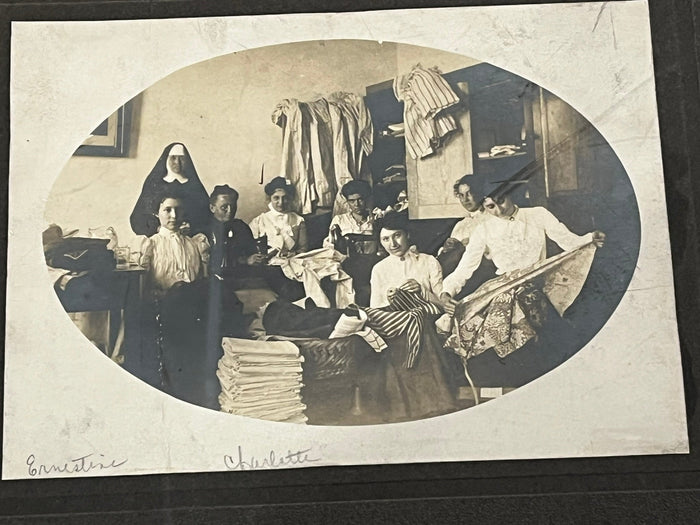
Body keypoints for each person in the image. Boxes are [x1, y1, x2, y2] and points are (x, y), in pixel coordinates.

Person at [440, 183, 606, 313]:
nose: (499, 210)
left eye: (501, 201)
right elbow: (465, 268)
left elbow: (568, 240)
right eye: (491, 206)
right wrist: (446, 293)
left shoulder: (537, 214)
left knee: (524, 303)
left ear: (510, 194)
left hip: (540, 279)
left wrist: (590, 238)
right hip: (504, 284)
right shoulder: (483, 230)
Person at [364, 210, 456, 421]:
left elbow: (442, 302)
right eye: (385, 239)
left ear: (407, 235)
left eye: (397, 235)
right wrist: (390, 298)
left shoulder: (428, 261)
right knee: (410, 323)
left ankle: (433, 403)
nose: (392, 243)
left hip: (425, 318)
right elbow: (376, 309)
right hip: (395, 323)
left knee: (418, 320)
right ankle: (411, 407)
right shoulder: (379, 269)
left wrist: (422, 292)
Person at [130, 143, 211, 237]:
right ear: (166, 159)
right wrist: (157, 228)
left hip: (188, 239)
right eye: (173, 158)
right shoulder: (154, 183)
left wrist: (192, 227)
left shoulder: (194, 185)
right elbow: (138, 217)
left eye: (181, 158)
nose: (177, 162)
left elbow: (206, 216)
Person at [206, 184, 265, 282]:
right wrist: (245, 260)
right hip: (213, 282)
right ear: (212, 208)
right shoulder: (205, 230)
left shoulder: (241, 227)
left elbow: (252, 252)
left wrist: (256, 258)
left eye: (233, 206)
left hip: (241, 279)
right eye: (224, 207)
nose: (230, 211)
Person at [249, 177, 308, 256]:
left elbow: (303, 250)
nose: (281, 202)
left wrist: (292, 254)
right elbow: (250, 249)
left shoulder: (298, 220)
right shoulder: (259, 221)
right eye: (276, 198)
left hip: (293, 260)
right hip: (268, 263)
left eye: (285, 198)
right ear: (270, 199)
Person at [324, 180, 374, 250]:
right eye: (352, 201)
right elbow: (330, 245)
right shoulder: (339, 220)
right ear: (347, 201)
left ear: (367, 199)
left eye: (360, 199)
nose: (356, 204)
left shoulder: (377, 218)